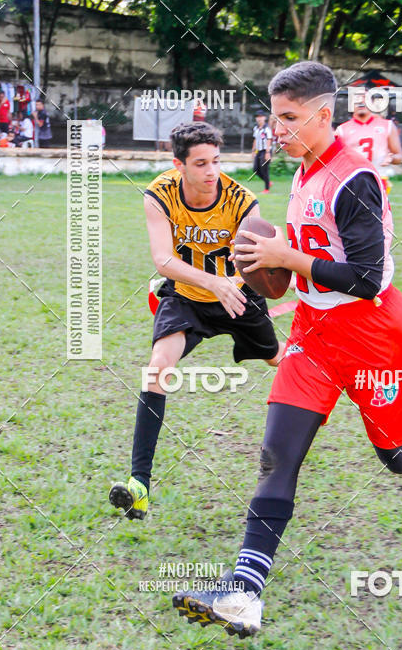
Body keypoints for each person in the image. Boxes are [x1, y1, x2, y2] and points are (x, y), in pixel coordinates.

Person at [172, 62, 402, 637]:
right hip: (315, 334)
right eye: (275, 117)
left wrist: (287, 259)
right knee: (277, 454)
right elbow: (302, 258)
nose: (278, 129)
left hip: (375, 334)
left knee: (398, 456)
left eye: (289, 118)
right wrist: (265, 260)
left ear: (325, 114)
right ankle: (245, 593)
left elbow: (368, 278)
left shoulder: (355, 178)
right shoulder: (304, 170)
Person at [109, 122, 285, 520]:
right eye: (201, 163)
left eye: (217, 161)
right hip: (187, 297)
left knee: (280, 359)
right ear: (179, 165)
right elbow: (163, 260)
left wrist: (240, 281)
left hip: (239, 296)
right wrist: (212, 283)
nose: (212, 172)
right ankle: (139, 485)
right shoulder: (160, 194)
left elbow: (255, 257)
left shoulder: (242, 200)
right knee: (157, 370)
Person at [335, 94, 402, 191]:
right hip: (352, 180)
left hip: (378, 178)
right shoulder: (342, 130)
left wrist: (391, 158)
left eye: (365, 99)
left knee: (377, 206)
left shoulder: (387, 125)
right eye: (357, 101)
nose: (361, 103)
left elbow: (399, 156)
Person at [252, 111, 273, 193]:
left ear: (264, 118)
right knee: (255, 170)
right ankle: (268, 182)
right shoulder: (256, 128)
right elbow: (255, 139)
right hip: (259, 151)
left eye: (261, 116)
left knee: (264, 169)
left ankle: (266, 189)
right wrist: (253, 150)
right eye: (257, 117)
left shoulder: (266, 129)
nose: (259, 118)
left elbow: (269, 140)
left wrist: (267, 153)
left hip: (266, 150)